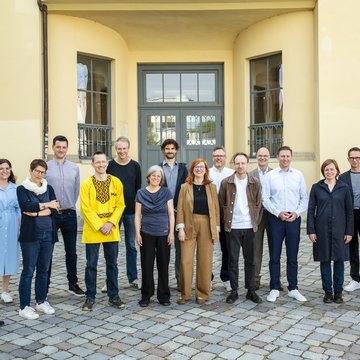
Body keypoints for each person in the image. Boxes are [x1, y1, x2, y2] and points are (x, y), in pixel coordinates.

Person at [80, 151, 126, 311]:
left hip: (111, 229)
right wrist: (100, 225)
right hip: (93, 229)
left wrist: (111, 223)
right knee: (91, 265)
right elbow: (85, 208)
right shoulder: (86, 184)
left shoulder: (116, 182)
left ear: (107, 163)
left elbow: (120, 205)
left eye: (103, 162)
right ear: (92, 164)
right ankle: (90, 296)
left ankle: (114, 296)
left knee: (112, 264)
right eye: (97, 162)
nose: (101, 164)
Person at [262, 146, 308, 303]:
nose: (285, 159)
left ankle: (293, 288)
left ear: (291, 157)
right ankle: (274, 288)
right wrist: (278, 213)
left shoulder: (299, 175)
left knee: (293, 255)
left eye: (288, 156)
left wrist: (296, 213)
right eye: (282, 156)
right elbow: (265, 199)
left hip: (293, 219)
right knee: (274, 255)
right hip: (276, 219)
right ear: (277, 157)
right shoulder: (270, 176)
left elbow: (304, 198)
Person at [17, 159, 60, 320]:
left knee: (44, 269)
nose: (39, 175)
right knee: (28, 270)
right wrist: (46, 206)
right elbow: (26, 207)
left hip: (48, 233)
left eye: (42, 172)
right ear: (31, 171)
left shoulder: (48, 188)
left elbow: (55, 209)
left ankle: (41, 301)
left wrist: (37, 211)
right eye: (37, 171)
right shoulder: (22, 189)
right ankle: (24, 306)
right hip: (31, 235)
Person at [307, 159, 353, 303]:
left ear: (337, 171)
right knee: (325, 260)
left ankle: (338, 292)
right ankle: (327, 292)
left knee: (339, 261)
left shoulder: (344, 188)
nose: (329, 172)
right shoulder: (316, 187)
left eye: (332, 169)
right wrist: (311, 230)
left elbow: (349, 211)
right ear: (323, 171)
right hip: (321, 230)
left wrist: (349, 232)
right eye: (326, 169)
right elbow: (310, 210)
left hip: (340, 230)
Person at [219, 152, 262, 304]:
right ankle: (234, 290)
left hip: (250, 226)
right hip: (233, 227)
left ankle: (250, 290)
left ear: (247, 164)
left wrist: (255, 221)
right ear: (234, 165)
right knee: (233, 260)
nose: (240, 166)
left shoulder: (255, 182)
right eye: (237, 163)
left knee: (251, 260)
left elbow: (259, 204)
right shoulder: (226, 183)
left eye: (243, 163)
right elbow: (221, 204)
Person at [176, 158, 219, 305]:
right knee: (185, 260)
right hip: (188, 223)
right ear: (192, 169)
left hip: (206, 224)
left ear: (206, 170)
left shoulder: (211, 187)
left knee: (205, 260)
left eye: (202, 167)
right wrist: (180, 228)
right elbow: (180, 209)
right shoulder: (184, 187)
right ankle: (185, 293)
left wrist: (216, 230)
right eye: (196, 167)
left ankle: (202, 293)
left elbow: (216, 210)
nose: (199, 169)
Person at [46, 135, 84, 296]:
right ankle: (44, 286)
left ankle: (73, 283)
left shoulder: (74, 168)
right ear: (53, 148)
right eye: (58, 147)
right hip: (50, 215)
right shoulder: (46, 167)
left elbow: (76, 191)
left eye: (64, 147)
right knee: (47, 250)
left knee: (71, 251)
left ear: (67, 149)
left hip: (69, 214)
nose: (61, 150)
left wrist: (68, 205)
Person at [135, 165, 174, 307]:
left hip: (164, 233)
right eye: (153, 175)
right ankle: (146, 295)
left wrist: (171, 232)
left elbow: (171, 213)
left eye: (158, 176)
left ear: (161, 179)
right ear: (148, 177)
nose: (156, 178)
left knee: (163, 265)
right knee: (147, 265)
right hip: (146, 233)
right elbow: (138, 215)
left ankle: (163, 296)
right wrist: (138, 233)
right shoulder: (140, 193)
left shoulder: (166, 192)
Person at [107, 136, 141, 290]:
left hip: (131, 212)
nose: (122, 151)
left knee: (131, 245)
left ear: (128, 148)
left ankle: (132, 278)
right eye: (119, 148)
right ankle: (110, 279)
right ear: (116, 149)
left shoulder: (135, 166)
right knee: (111, 246)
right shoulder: (110, 166)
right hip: (113, 212)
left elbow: (138, 189)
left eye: (124, 148)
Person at [160, 139, 188, 292]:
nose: (170, 151)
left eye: (172, 148)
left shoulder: (183, 169)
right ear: (163, 150)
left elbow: (187, 189)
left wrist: (179, 208)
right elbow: (154, 189)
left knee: (180, 249)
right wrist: (166, 207)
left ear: (176, 150)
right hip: (162, 214)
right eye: (167, 148)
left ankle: (180, 281)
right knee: (164, 250)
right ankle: (164, 283)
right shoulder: (157, 168)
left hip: (179, 213)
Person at [209, 146, 234, 292]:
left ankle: (226, 277)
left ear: (225, 157)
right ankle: (208, 278)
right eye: (216, 155)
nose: (218, 158)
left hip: (226, 217)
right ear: (213, 157)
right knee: (207, 250)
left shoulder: (232, 173)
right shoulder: (207, 173)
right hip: (209, 216)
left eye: (221, 155)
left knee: (227, 249)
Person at [248, 147, 272, 290]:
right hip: (257, 216)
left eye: (265, 156)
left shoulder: (276, 173)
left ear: (269, 157)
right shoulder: (250, 175)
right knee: (256, 248)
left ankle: (275, 279)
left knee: (274, 248)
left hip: (273, 215)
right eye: (260, 156)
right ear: (256, 157)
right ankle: (255, 278)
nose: (262, 158)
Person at [0, 159, 21, 304]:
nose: (4, 171)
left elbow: (19, 209)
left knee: (8, 258)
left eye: (7, 168)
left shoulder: (16, 189)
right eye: (1, 168)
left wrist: (21, 229)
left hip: (13, 224)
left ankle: (5, 291)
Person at [340, 147, 360, 292]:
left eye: (357, 157)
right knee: (352, 248)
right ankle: (355, 278)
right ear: (348, 159)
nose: (355, 160)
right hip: (350, 215)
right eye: (352, 158)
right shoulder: (343, 177)